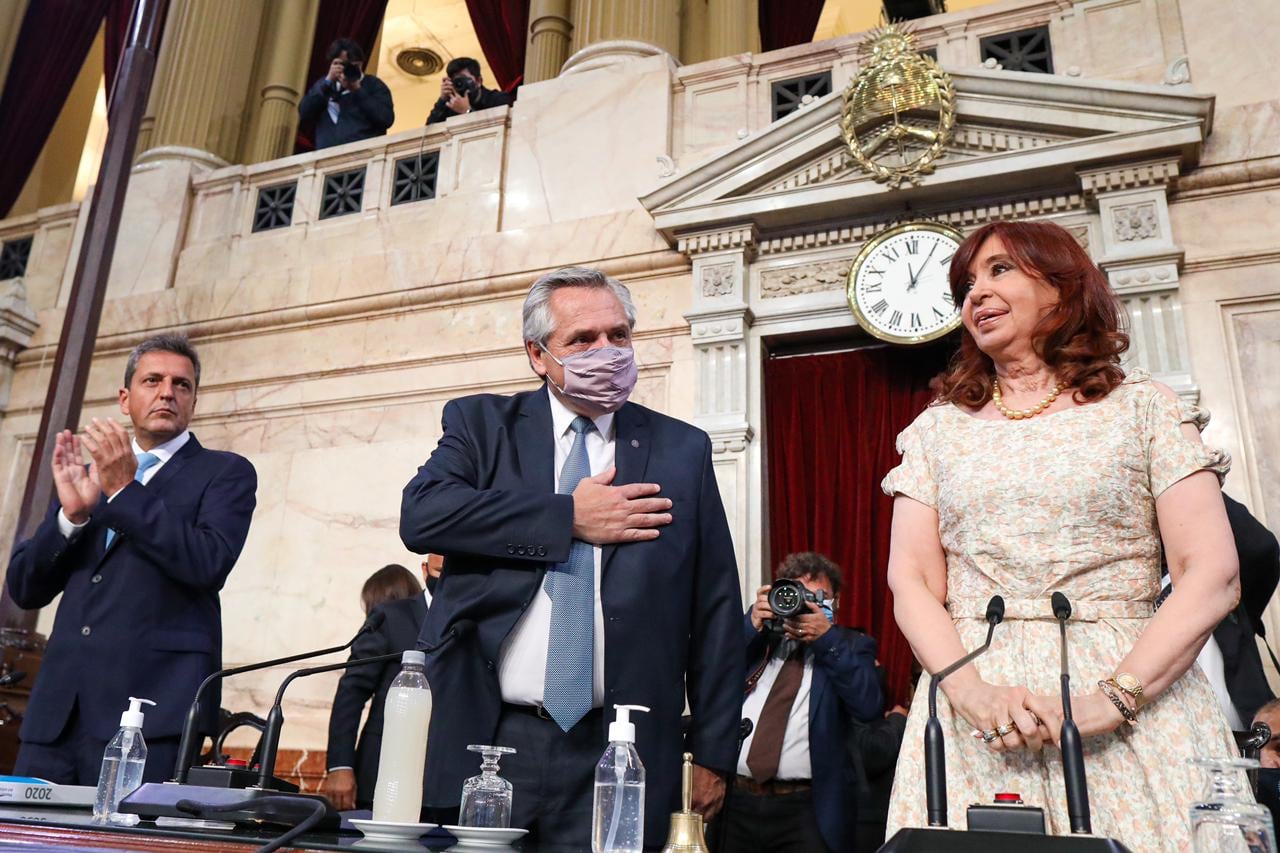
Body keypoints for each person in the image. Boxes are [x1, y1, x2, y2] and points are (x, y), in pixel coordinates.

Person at [881, 219, 1241, 847]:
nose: (975, 295)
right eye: (966, 284)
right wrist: (972, 694)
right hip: (978, 716)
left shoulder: (1144, 406)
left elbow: (1211, 572)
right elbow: (910, 581)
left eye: (999, 270)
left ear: (1063, 286)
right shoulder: (936, 430)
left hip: (1135, 707)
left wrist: (1114, 699)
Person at [400, 266, 741, 849]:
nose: (606, 352)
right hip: (491, 740)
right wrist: (566, 517)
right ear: (538, 355)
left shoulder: (683, 449)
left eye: (619, 335)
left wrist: (714, 752)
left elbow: (714, 607)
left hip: (622, 750)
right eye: (582, 340)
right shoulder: (483, 425)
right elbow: (424, 515)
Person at [7, 334, 258, 784]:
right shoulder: (88, 476)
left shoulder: (225, 472)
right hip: (57, 715)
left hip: (151, 716)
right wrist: (71, 517)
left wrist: (125, 491)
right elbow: (26, 589)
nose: (167, 392)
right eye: (153, 381)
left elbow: (207, 562)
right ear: (125, 399)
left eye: (182, 385)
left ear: (194, 401)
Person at [721, 552, 882, 853]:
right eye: (796, 595)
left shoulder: (850, 646)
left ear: (836, 604)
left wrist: (826, 639)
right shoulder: (759, 643)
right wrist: (751, 622)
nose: (803, 605)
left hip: (806, 809)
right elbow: (716, 675)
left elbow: (869, 705)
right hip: (737, 802)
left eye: (817, 597)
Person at [324, 556, 443, 811]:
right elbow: (352, 692)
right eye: (440, 571)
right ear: (425, 570)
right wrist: (340, 766)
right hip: (382, 770)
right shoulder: (392, 617)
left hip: (443, 782)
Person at [298, 37, 394, 150]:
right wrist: (327, 81)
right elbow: (304, 112)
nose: (349, 69)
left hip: (363, 157)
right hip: (325, 159)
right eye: (344, 65)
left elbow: (386, 119)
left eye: (354, 66)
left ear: (361, 63)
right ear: (333, 64)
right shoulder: (325, 86)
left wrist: (358, 91)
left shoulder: (373, 85)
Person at [426, 57, 513, 125]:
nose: (460, 84)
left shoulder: (498, 99)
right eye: (456, 81)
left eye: (463, 78)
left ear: (479, 81)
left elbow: (497, 129)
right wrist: (442, 100)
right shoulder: (452, 105)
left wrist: (467, 111)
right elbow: (429, 134)